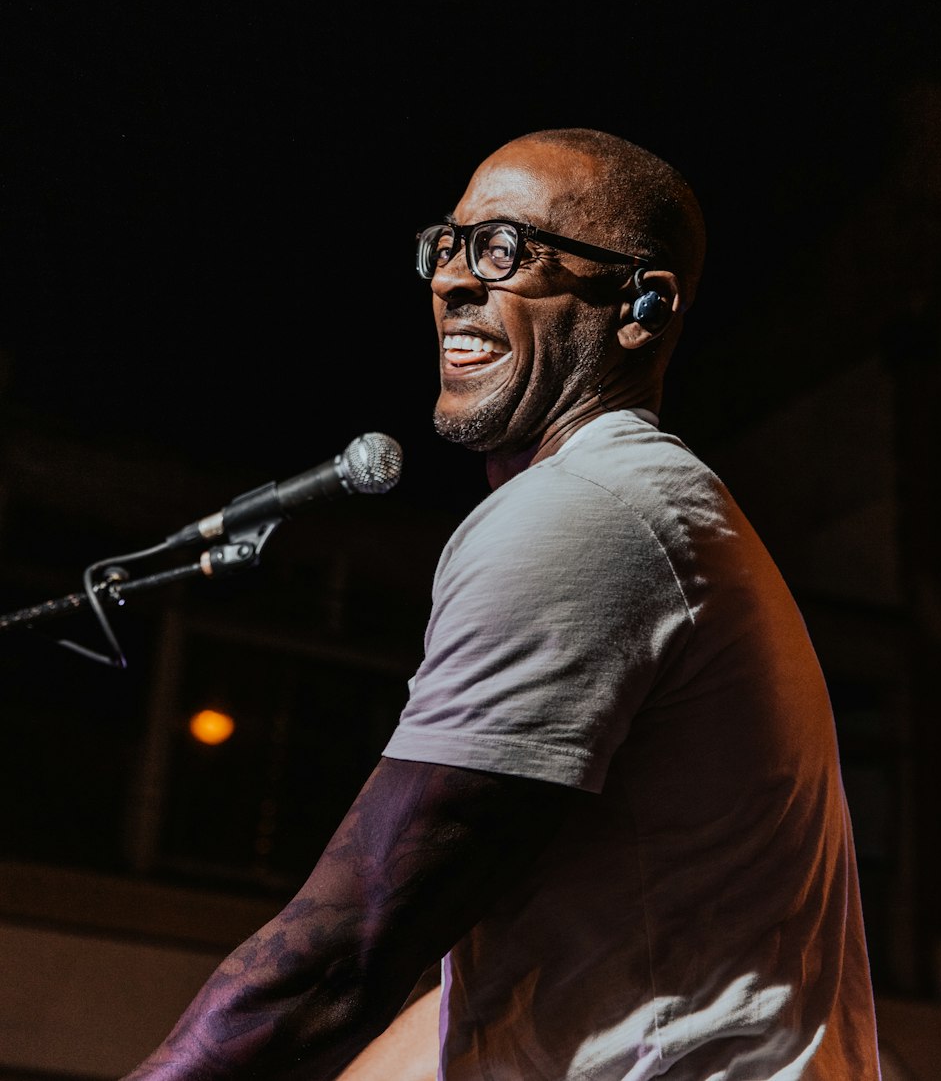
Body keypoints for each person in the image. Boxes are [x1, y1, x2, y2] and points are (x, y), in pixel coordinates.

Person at [122, 127, 882, 1080]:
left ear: (641, 307)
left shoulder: (588, 514)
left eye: (507, 251)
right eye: (448, 245)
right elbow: (478, 996)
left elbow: (343, 952)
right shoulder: (648, 511)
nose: (450, 281)